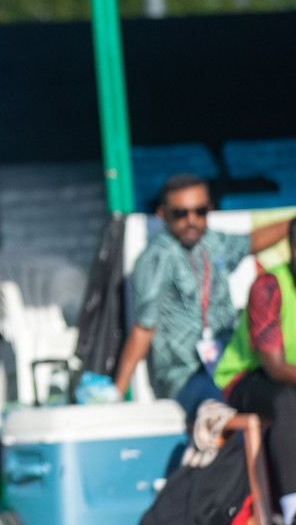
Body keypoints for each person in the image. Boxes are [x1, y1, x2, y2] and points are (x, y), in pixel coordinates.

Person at [112, 174, 290, 418]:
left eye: (200, 211)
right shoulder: (156, 258)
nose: (192, 221)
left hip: (228, 365)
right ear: (163, 214)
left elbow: (253, 241)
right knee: (221, 416)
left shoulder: (213, 242)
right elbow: (144, 328)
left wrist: (292, 223)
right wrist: (117, 394)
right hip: (186, 375)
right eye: (180, 214)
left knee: (283, 399)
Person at [215, 216, 296, 525]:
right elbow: (275, 366)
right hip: (245, 378)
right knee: (286, 399)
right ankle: (291, 513)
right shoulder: (269, 286)